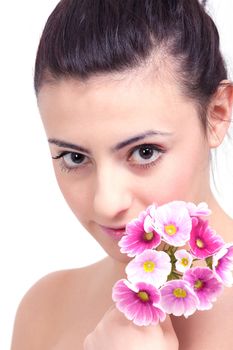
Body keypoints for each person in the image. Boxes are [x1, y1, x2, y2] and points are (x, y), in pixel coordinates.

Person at [11, 0, 233, 349]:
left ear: (218, 114)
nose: (106, 202)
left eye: (144, 152)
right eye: (74, 157)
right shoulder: (45, 312)